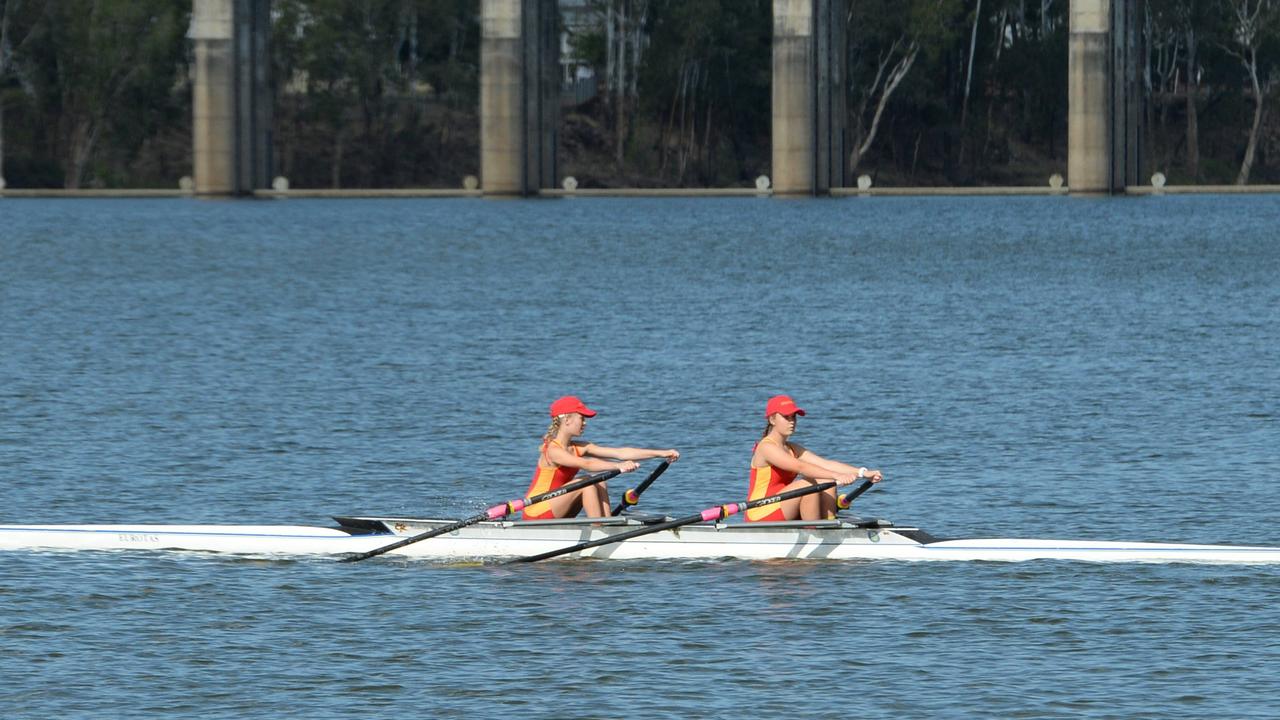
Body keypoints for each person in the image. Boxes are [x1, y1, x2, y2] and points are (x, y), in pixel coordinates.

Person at [521, 395, 680, 520]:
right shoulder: (553, 450)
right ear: (567, 420)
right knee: (586, 483)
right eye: (581, 418)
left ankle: (606, 521)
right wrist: (618, 466)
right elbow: (586, 464)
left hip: (556, 506)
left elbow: (620, 453)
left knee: (599, 480)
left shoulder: (579, 447)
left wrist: (661, 453)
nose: (585, 423)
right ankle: (599, 528)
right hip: (536, 510)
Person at [747, 394, 882, 522]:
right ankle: (814, 533)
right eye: (786, 417)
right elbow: (801, 467)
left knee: (825, 479)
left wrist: (862, 473)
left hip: (782, 506)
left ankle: (829, 526)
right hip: (760, 511)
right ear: (772, 419)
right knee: (808, 485)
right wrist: (838, 476)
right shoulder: (766, 448)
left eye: (794, 417)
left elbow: (826, 464)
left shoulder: (792, 448)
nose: (792, 422)